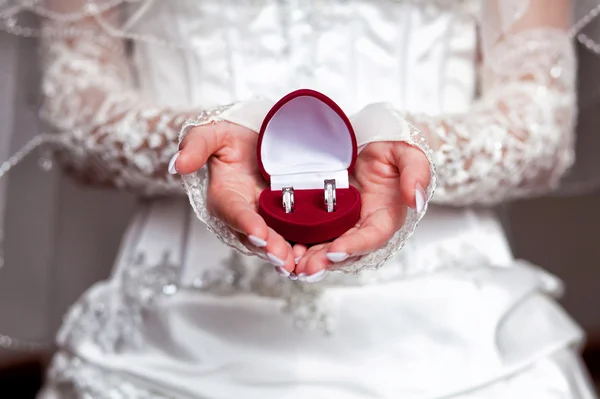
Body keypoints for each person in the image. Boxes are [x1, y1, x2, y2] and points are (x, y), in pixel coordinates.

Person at [1, 0, 598, 397]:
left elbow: (539, 126)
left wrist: (409, 144)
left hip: (459, 342)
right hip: (170, 334)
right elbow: (74, 110)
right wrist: (208, 136)